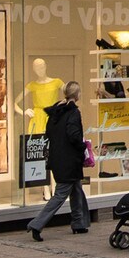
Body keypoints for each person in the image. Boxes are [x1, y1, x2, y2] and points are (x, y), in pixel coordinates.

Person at [26, 81, 90, 237]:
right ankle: (36, 224)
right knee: (61, 194)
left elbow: (49, 133)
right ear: (77, 94)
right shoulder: (73, 112)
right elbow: (74, 135)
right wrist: (83, 147)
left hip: (58, 158)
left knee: (76, 190)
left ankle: (79, 223)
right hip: (69, 160)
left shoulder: (55, 112)